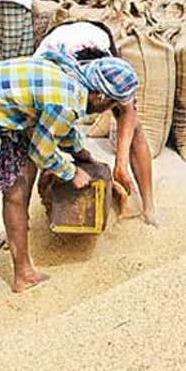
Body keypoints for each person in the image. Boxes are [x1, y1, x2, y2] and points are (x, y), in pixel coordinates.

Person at [0, 51, 139, 348]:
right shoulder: (65, 99)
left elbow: (60, 128)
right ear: (99, 95)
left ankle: (24, 274)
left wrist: (80, 152)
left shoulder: (73, 83)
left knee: (17, 189)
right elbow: (42, 152)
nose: (109, 111)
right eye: (111, 105)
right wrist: (71, 173)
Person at [35, 20, 157, 226]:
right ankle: (19, 221)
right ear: (97, 95)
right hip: (59, 44)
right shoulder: (51, 75)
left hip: (94, 37)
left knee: (135, 129)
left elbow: (128, 112)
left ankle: (149, 207)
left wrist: (121, 164)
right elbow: (40, 137)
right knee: (32, 131)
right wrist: (52, 167)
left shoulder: (108, 73)